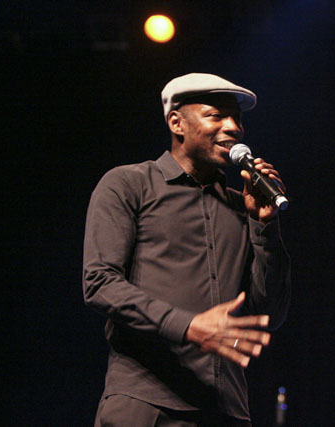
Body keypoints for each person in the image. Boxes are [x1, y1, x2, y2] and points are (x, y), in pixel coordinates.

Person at [83, 73, 291, 426]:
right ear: (176, 122)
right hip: (146, 403)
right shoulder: (129, 183)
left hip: (224, 409)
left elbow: (269, 312)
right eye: (216, 115)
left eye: (237, 119)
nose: (234, 127)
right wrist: (189, 326)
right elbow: (100, 283)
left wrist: (264, 227)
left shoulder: (243, 206)